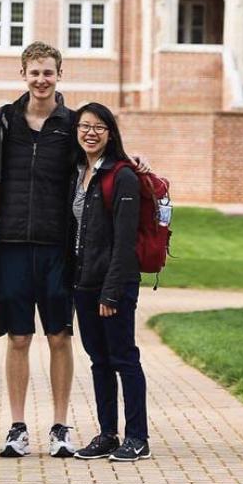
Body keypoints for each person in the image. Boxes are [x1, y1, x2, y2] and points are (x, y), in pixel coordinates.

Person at [0, 42, 79, 458]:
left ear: (59, 74)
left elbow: (104, 159)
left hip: (57, 247)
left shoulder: (74, 123)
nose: (41, 80)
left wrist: (137, 162)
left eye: (48, 72)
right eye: (34, 72)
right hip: (10, 245)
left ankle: (61, 427)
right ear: (22, 74)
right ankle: (17, 427)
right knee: (19, 337)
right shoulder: (4, 120)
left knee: (60, 336)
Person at [69, 102, 151, 463]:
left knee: (123, 359)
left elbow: (124, 240)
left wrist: (112, 291)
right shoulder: (78, 173)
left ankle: (137, 437)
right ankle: (107, 434)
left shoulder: (123, 176)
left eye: (99, 127)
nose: (90, 132)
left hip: (112, 286)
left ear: (111, 133)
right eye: (85, 126)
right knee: (98, 361)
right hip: (83, 284)